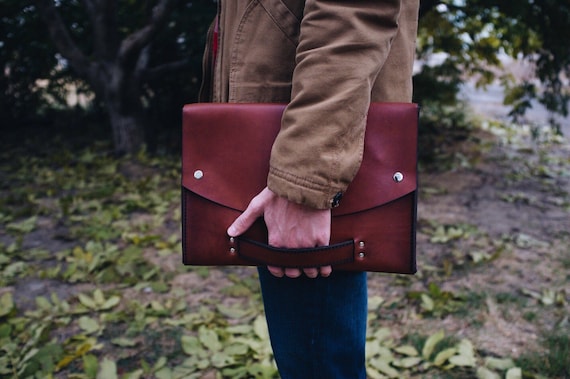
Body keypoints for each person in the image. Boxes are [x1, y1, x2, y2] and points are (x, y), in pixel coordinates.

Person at [199, 1, 419, 377]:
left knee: (317, 365)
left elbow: (352, 13)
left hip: (307, 151)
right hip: (295, 139)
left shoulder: (304, 177)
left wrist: (304, 181)